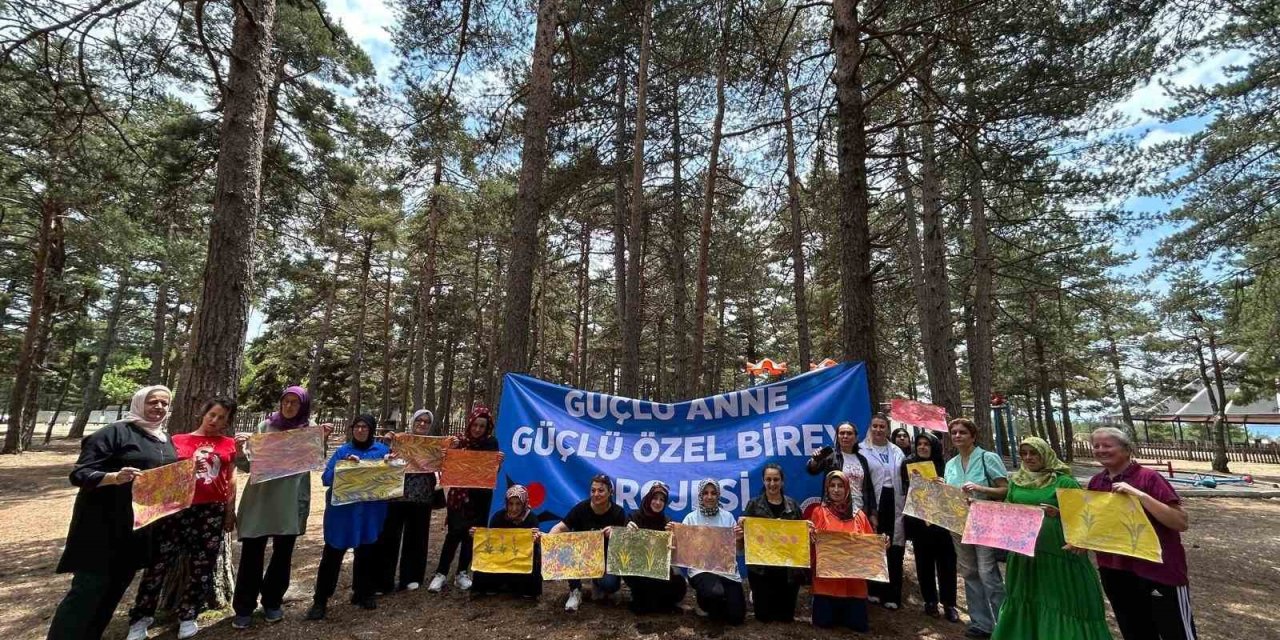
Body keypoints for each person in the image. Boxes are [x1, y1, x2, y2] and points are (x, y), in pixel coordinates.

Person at [48, 386, 177, 640]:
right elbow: (80, 474)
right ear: (139, 403)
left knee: (111, 596)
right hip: (102, 530)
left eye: (164, 403)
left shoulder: (164, 439)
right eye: (153, 402)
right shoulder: (114, 433)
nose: (159, 407)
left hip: (136, 532)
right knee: (87, 594)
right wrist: (114, 478)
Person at [127, 398, 239, 640]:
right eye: (212, 414)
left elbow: (231, 478)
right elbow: (164, 475)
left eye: (222, 418)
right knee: (158, 563)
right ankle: (141, 618)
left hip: (211, 511)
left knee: (202, 565)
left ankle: (188, 615)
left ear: (227, 421)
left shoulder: (229, 444)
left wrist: (230, 511)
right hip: (176, 509)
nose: (215, 421)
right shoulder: (177, 440)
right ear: (203, 413)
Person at [232, 386, 331, 629]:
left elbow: (316, 459)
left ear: (303, 406)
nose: (289, 407)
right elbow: (248, 466)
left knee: (282, 554)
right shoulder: (265, 428)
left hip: (290, 500)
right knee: (252, 553)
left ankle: (272, 601)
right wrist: (238, 451)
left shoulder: (308, 430)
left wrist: (322, 439)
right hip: (261, 500)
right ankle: (244, 606)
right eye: (285, 401)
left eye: (294, 403)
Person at [992, 436, 1110, 640]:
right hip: (1025, 555)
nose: (1028, 458)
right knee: (1027, 597)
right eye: (1024, 453)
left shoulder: (1064, 481)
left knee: (1062, 600)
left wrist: (1059, 513)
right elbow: (1008, 511)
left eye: (1034, 453)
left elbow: (1085, 518)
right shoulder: (1016, 482)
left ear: (1045, 454)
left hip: (1058, 554)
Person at [1088, 427, 1196, 640]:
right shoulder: (1096, 483)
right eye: (1096, 446)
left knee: (1175, 633)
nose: (1100, 450)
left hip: (1157, 570)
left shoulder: (1149, 478)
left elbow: (1180, 522)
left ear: (1127, 450)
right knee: (1135, 632)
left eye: (1107, 445)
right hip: (1114, 569)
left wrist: (1140, 495)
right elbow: (1097, 525)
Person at [306, 415, 392, 620]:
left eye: (365, 427)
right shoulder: (343, 451)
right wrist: (343, 466)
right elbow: (326, 479)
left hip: (370, 514)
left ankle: (363, 592)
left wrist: (391, 464)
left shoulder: (382, 452)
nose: (360, 430)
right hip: (343, 516)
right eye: (357, 426)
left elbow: (392, 480)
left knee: (367, 553)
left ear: (371, 430)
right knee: (332, 556)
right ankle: (320, 600)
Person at [943, 417, 1009, 639]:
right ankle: (981, 622)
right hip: (958, 524)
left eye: (963, 432)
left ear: (973, 436)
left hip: (985, 522)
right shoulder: (950, 464)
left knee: (988, 573)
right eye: (954, 433)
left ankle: (1004, 622)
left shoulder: (987, 458)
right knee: (969, 572)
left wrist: (980, 489)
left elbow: (1005, 490)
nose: (958, 436)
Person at [428, 405, 501, 593]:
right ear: (470, 424)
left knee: (472, 535)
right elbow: (445, 467)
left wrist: (497, 463)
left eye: (482, 426)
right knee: (453, 534)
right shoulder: (458, 442)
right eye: (475, 425)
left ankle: (462, 573)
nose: (478, 429)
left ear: (487, 428)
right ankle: (441, 573)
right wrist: (446, 456)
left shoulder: (491, 443)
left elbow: (492, 472)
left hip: (481, 498)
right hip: (459, 496)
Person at [807, 470, 878, 631]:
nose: (836, 490)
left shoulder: (859, 515)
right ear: (827, 489)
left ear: (847, 489)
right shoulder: (819, 513)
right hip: (826, 585)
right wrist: (811, 540)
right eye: (832, 485)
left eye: (840, 486)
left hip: (854, 586)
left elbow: (870, 547)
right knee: (823, 624)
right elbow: (810, 548)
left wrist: (881, 546)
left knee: (858, 626)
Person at [901, 431, 960, 623]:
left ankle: (949, 604)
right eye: (919, 444)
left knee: (947, 564)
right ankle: (930, 601)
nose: (923, 447)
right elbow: (903, 489)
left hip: (943, 523)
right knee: (924, 564)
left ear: (934, 446)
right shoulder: (909, 464)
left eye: (927, 444)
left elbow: (956, 493)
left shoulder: (947, 466)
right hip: (920, 523)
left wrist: (943, 485)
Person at [377, 409, 437, 592]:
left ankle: (411, 577)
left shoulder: (433, 445)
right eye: (419, 420)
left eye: (427, 422)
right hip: (397, 496)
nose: (423, 424)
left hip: (422, 497)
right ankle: (384, 579)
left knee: (417, 538)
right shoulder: (400, 440)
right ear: (413, 421)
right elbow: (382, 458)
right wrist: (387, 443)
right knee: (389, 538)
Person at [548, 474, 627, 611]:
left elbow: (624, 544)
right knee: (566, 548)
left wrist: (616, 534)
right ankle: (575, 590)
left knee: (610, 585)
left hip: (605, 560)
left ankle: (598, 582)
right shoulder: (581, 509)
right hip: (581, 557)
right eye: (593, 490)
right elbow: (561, 527)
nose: (596, 494)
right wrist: (547, 541)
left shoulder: (618, 513)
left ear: (610, 493)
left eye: (601, 490)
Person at [676, 479, 746, 625]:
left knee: (737, 618)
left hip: (727, 572)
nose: (709, 496)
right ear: (700, 496)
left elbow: (738, 552)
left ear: (718, 495)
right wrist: (675, 536)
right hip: (701, 571)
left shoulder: (728, 517)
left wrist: (739, 539)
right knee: (715, 596)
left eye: (713, 493)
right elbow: (682, 550)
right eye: (706, 493)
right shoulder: (691, 518)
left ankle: (721, 603)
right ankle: (704, 602)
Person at [740, 463, 804, 623]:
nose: (772, 484)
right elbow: (746, 539)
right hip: (761, 569)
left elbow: (800, 540)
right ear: (763, 481)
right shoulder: (754, 505)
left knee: (785, 618)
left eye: (776, 479)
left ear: (782, 482)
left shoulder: (793, 506)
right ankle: (756, 593)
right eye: (768, 479)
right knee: (763, 618)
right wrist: (741, 528)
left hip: (787, 569)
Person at [862, 413, 907, 609]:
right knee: (874, 546)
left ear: (888, 429)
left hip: (895, 502)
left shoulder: (897, 451)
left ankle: (892, 594)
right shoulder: (862, 449)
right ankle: (873, 590)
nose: (878, 430)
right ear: (870, 428)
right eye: (875, 426)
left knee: (895, 549)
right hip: (874, 503)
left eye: (882, 426)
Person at [623, 482, 687, 614]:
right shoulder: (633, 517)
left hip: (658, 570)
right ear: (648, 499)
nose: (658, 502)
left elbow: (672, 554)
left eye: (662, 500)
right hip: (636, 570)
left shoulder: (666, 521)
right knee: (642, 608)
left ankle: (654, 601)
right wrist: (626, 530)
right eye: (655, 498)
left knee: (679, 586)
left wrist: (673, 539)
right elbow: (622, 546)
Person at [470, 485, 543, 598]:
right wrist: (477, 535)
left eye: (518, 504)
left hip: (520, 559)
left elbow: (535, 546)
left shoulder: (531, 519)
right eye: (511, 503)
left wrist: (537, 538)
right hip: (501, 558)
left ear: (524, 503)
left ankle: (523, 587)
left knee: (533, 561)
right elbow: (490, 541)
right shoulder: (498, 516)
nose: (514, 508)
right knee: (485, 555)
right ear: (506, 503)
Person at [806, 421, 877, 519]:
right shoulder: (831, 456)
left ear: (856, 438)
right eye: (842, 433)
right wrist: (815, 460)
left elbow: (869, 489)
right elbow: (812, 470)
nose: (845, 436)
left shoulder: (862, 459)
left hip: (859, 511)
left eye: (849, 433)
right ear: (837, 437)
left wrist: (873, 514)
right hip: (835, 512)